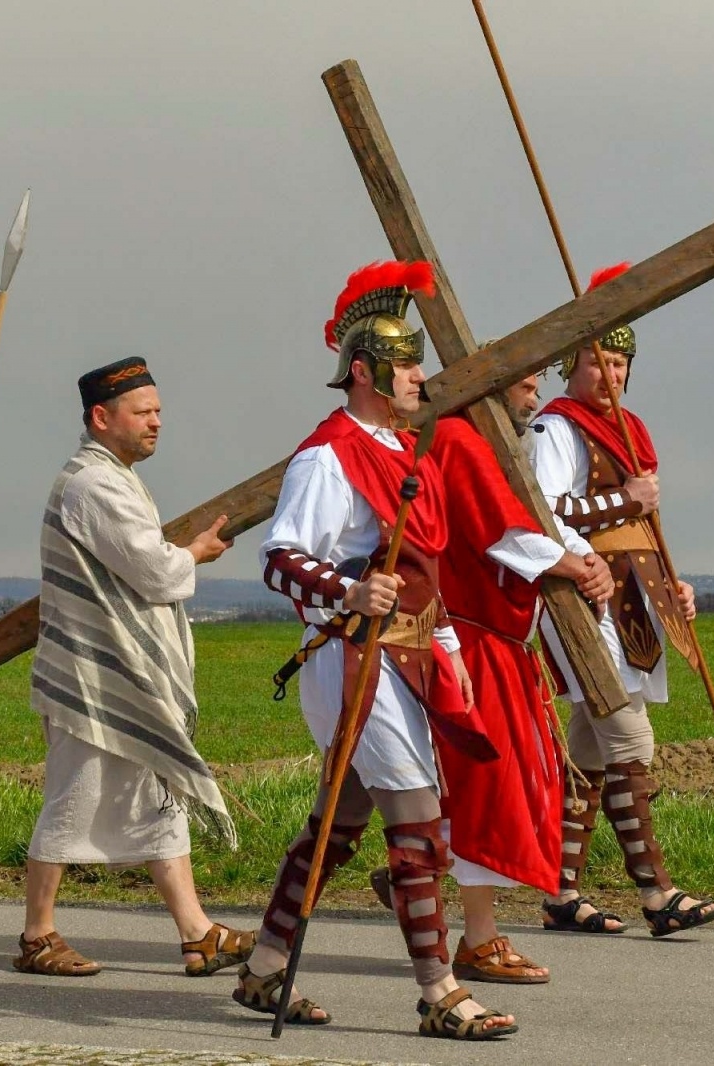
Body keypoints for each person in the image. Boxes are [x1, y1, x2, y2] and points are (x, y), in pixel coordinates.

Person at [238, 260, 516, 1040]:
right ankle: (440, 991)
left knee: (338, 824)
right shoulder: (327, 454)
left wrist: (450, 647)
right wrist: (348, 591)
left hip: (410, 659)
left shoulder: (400, 454)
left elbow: (423, 570)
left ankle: (262, 969)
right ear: (364, 371)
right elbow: (280, 557)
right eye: (406, 364)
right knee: (418, 822)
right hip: (353, 659)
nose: (420, 377)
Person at [369, 374, 614, 983]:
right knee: (484, 790)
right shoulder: (460, 440)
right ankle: (475, 937)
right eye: (526, 387)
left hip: (487, 643)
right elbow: (504, 534)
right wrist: (576, 568)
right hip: (470, 642)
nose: (533, 400)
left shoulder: (483, 447)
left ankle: (416, 877)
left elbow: (533, 525)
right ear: (493, 387)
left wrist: (585, 562)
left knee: (471, 790)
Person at [14, 357, 250, 980]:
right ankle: (37, 935)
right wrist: (195, 550)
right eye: (143, 413)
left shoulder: (113, 477)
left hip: (123, 674)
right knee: (74, 797)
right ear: (101, 416)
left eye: (159, 412)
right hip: (92, 680)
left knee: (155, 797)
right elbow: (152, 569)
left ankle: (197, 933)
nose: (156, 423)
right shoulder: (92, 484)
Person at [532, 263, 714, 938]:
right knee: (628, 735)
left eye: (618, 362)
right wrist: (627, 499)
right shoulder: (554, 429)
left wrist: (672, 587)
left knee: (592, 746)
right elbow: (545, 513)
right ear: (572, 364)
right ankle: (657, 893)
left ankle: (561, 890)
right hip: (579, 597)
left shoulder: (631, 432)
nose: (608, 374)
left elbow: (644, 527)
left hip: (633, 601)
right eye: (596, 360)